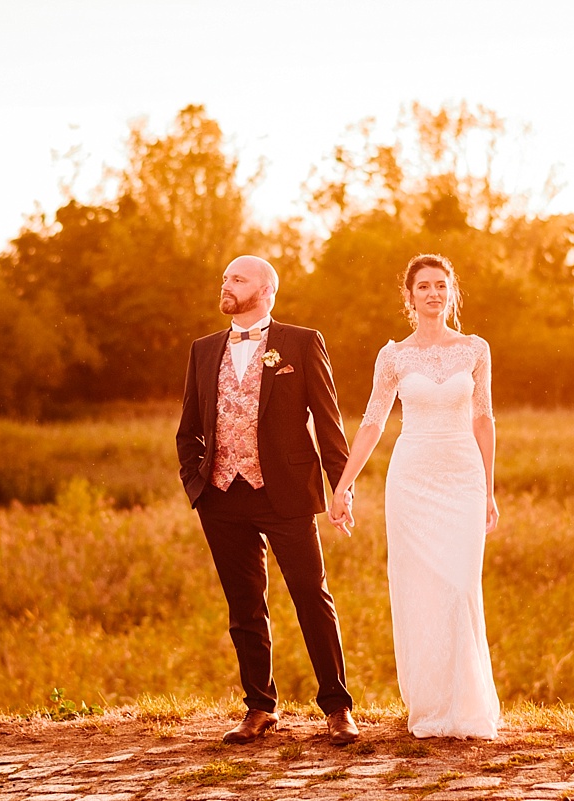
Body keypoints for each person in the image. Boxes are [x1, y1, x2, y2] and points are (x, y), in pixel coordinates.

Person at [176, 254, 360, 746]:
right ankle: (259, 707)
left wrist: (341, 487)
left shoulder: (301, 342)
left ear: (265, 290)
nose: (226, 284)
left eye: (237, 279)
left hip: (286, 493)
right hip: (221, 497)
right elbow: (189, 427)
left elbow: (328, 421)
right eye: (225, 277)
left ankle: (337, 707)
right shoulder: (203, 349)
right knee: (244, 605)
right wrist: (196, 482)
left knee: (311, 597)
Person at [328, 253, 500, 739]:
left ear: (451, 292)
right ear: (409, 297)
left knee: (460, 585)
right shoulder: (394, 357)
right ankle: (431, 706)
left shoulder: (475, 349)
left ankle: (466, 705)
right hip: (412, 480)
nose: (433, 293)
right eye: (423, 286)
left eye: (441, 285)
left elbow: (484, 418)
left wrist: (489, 491)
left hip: (463, 477)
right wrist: (343, 485)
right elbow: (372, 423)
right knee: (420, 589)